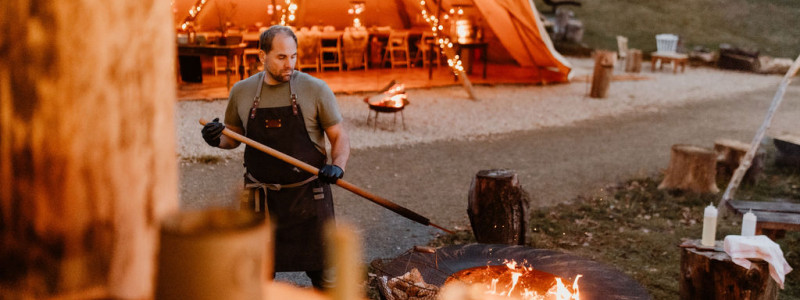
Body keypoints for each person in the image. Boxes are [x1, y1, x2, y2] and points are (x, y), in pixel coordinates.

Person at [201, 25, 350, 290]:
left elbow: (339, 136)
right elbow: (233, 137)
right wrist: (216, 138)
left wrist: (337, 166)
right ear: (262, 56)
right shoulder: (242, 91)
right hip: (261, 201)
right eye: (281, 57)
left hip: (307, 198)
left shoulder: (315, 89)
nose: (289, 64)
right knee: (257, 275)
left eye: (293, 56)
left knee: (324, 278)